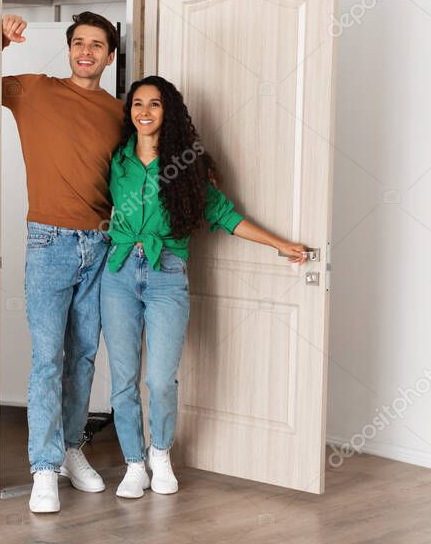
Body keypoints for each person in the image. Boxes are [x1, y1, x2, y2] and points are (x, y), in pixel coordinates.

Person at [101, 76, 308, 499]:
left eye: (154, 104)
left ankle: (160, 454)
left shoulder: (187, 166)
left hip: (167, 275)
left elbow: (227, 216)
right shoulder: (117, 160)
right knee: (122, 380)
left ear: (168, 111)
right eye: (137, 104)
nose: (144, 112)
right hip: (118, 274)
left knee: (159, 379)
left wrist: (279, 244)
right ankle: (133, 464)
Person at [0, 11, 123, 513]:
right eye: (79, 43)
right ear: (69, 48)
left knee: (85, 357)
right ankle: (44, 468)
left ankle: (73, 449)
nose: (86, 51)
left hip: (99, 244)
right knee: (48, 359)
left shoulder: (119, 112)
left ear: (110, 56)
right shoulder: (35, 90)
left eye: (97, 45)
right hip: (48, 241)